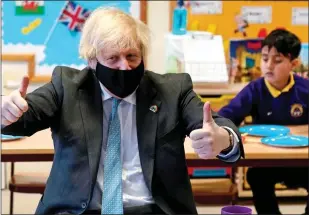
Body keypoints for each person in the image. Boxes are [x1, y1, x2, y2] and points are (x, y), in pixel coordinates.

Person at [1, 7, 243, 215]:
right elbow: (22, 116)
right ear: (92, 61)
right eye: (113, 58)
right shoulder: (67, 86)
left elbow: (215, 125)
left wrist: (224, 139)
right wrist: (6, 110)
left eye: (132, 56)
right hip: (80, 210)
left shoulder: (172, 90)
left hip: (153, 210)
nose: (124, 66)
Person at [218, 29, 308, 215]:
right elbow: (226, 116)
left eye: (277, 60)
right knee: (256, 176)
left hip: (301, 162)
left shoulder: (305, 89)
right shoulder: (254, 89)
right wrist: (229, 131)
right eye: (265, 58)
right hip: (269, 163)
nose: (268, 65)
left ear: (293, 64)